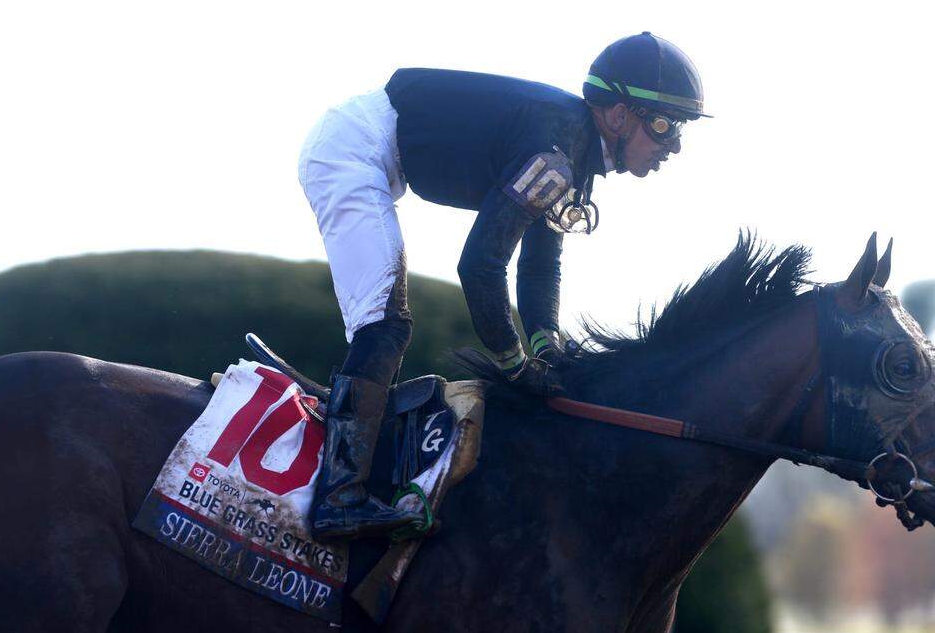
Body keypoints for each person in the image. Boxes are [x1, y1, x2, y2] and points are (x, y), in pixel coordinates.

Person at [298, 32, 708, 540]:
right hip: (352, 150)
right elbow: (480, 264)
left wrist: (547, 351)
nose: (673, 147)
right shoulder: (558, 150)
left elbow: (539, 269)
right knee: (384, 326)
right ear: (619, 115)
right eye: (665, 126)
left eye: (680, 130)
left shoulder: (573, 155)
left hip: (371, 150)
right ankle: (338, 499)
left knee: (387, 325)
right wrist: (514, 363)